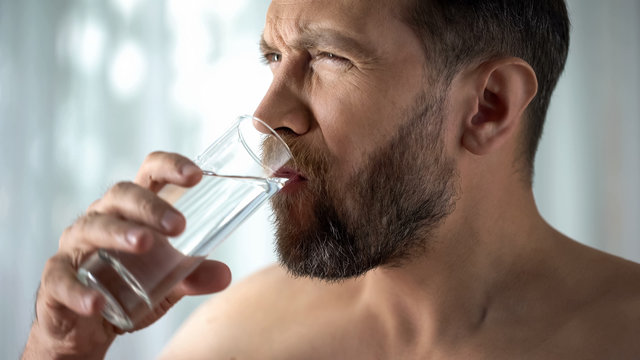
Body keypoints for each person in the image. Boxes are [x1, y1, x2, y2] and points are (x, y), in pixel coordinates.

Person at [22, 0, 640, 359]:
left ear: (488, 108)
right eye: (273, 58)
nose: (267, 117)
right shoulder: (233, 339)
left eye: (328, 59)